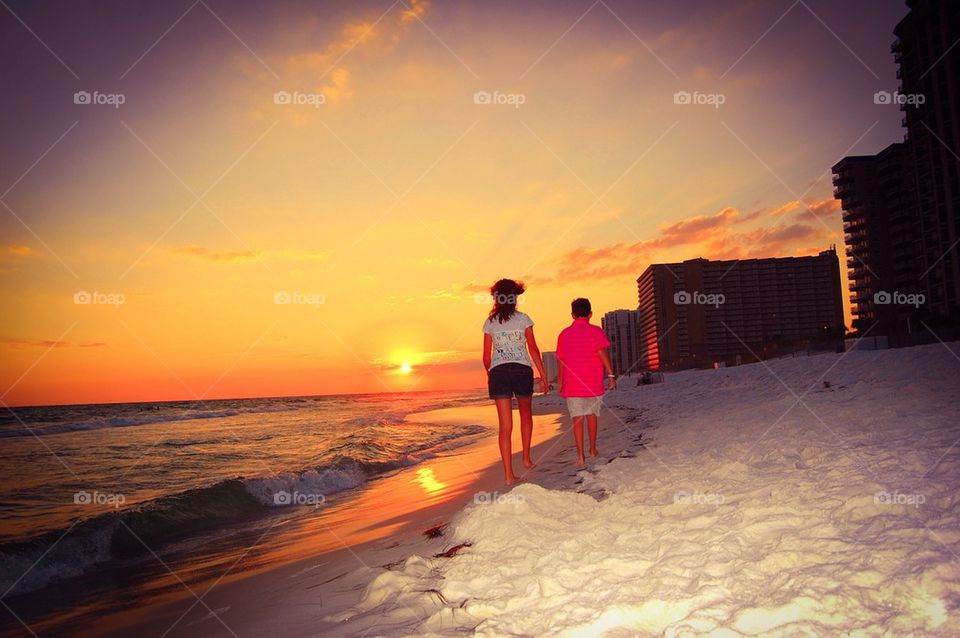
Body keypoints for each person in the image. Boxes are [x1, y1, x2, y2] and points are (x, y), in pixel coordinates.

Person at [482, 279, 548, 485]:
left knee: (505, 426)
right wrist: (543, 374)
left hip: (499, 372)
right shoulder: (523, 319)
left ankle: (508, 475)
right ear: (515, 297)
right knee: (526, 415)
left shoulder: (490, 322)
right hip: (521, 370)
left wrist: (490, 373)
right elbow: (533, 349)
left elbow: (486, 356)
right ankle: (526, 459)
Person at [556, 298, 615, 467]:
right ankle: (593, 450)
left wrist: (560, 381)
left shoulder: (564, 334)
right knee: (592, 415)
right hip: (592, 382)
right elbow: (602, 353)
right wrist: (611, 375)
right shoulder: (596, 331)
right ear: (590, 314)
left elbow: (561, 360)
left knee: (577, 418)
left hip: (572, 383)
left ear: (572, 315)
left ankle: (580, 456)